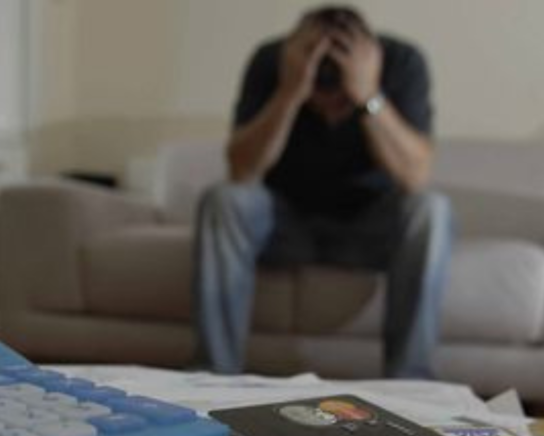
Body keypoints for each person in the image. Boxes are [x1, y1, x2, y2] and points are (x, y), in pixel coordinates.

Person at [192, 5, 453, 379]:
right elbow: (241, 171)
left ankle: (411, 382)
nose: (329, 93)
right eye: (320, 75)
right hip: (283, 226)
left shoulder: (401, 61)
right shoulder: (273, 61)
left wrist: (367, 95)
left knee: (432, 208)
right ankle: (213, 375)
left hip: (369, 229)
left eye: (336, 75)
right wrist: (289, 92)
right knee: (223, 198)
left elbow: (416, 177)